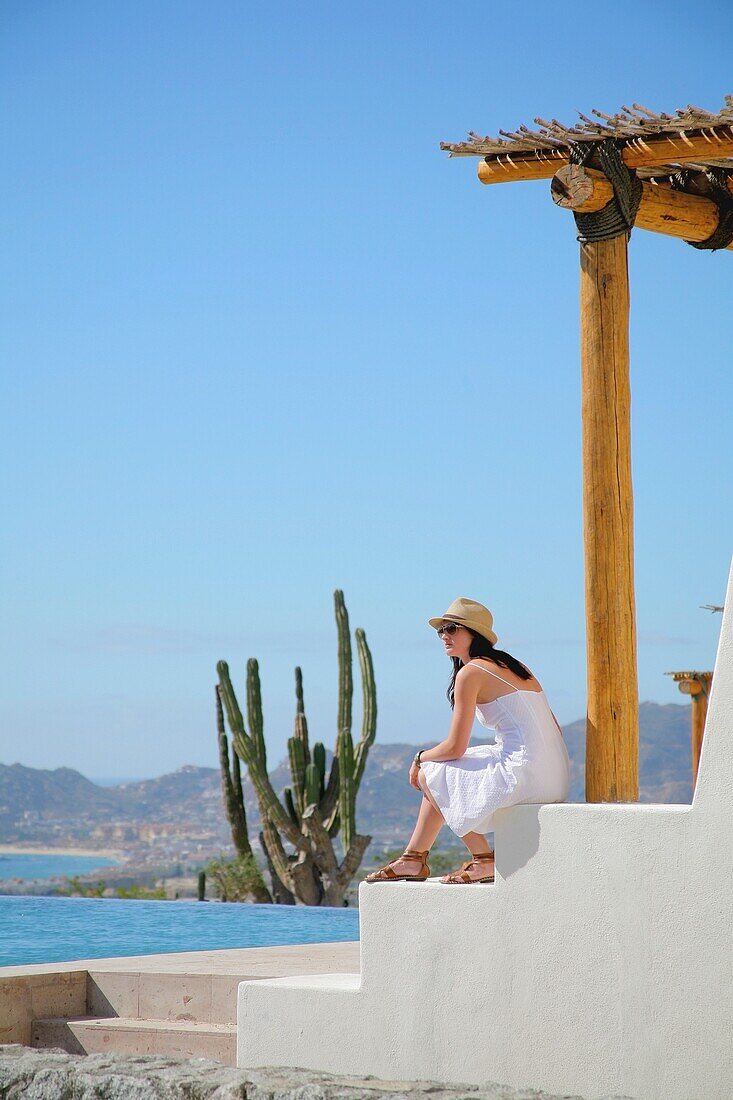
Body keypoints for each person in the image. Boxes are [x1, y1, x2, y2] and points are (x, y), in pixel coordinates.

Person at [365, 597, 571, 885]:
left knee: (431, 772)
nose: (444, 636)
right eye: (441, 630)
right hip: (555, 774)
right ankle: (412, 858)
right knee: (444, 774)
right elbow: (554, 728)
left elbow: (454, 747)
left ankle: (483, 859)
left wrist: (419, 757)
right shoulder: (515, 665)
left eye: (452, 628)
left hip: (528, 773)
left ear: (475, 634)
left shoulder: (472, 672)